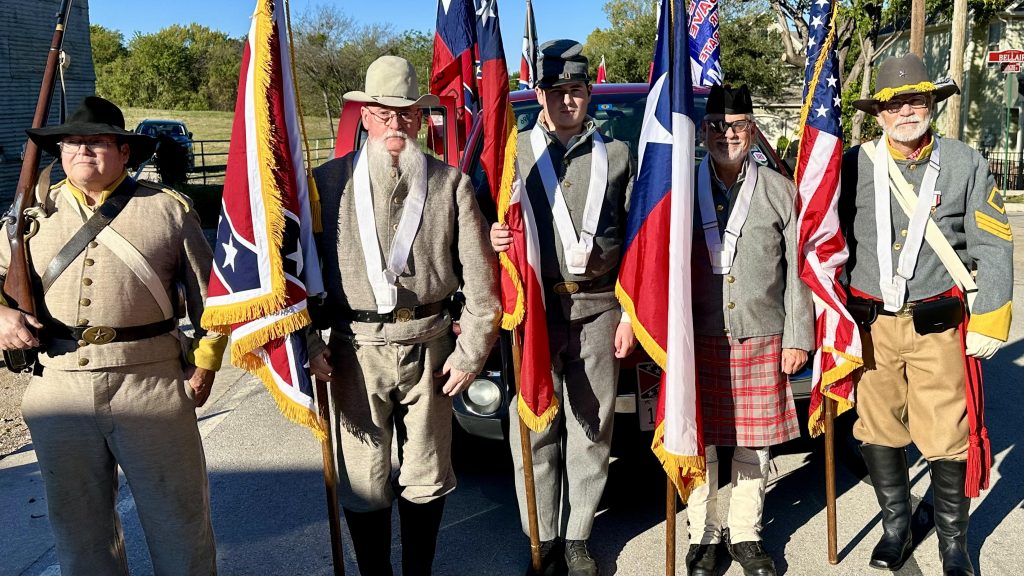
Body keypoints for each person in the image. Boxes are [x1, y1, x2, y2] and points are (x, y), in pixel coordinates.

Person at [0, 95, 226, 575]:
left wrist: (204, 364)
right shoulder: (29, 217)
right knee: (79, 532)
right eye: (73, 142)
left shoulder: (168, 210)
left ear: (125, 153)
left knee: (179, 521)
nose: (84, 151)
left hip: (151, 383)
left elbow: (212, 301)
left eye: (98, 142)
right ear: (59, 152)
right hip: (59, 388)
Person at [307, 55, 500, 576]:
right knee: (363, 477)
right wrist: (307, 340)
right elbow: (294, 276)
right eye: (385, 111)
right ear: (365, 114)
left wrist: (472, 353)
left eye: (408, 113)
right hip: (354, 347)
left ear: (420, 119)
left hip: (432, 343)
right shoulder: (323, 185)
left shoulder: (450, 183)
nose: (397, 123)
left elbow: (482, 281)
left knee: (427, 471)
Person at [841, 54, 1014, 576]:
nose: (905, 111)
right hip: (872, 327)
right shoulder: (853, 164)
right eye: (893, 104)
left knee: (946, 435)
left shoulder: (965, 162)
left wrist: (990, 318)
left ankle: (952, 542)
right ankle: (896, 527)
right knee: (877, 430)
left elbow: (994, 243)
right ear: (879, 114)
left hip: (937, 325)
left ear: (932, 104)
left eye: (915, 100)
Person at [491, 39, 636, 576]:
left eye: (576, 90)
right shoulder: (515, 154)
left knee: (591, 427)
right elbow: (480, 218)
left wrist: (626, 313)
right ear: (542, 94)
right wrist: (494, 237)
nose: (567, 100)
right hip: (533, 311)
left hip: (598, 308)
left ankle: (577, 537)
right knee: (532, 426)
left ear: (588, 92)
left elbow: (637, 243)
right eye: (556, 91)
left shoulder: (617, 155)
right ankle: (542, 536)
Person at [684, 85, 813, 576]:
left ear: (752, 130)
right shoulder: (679, 188)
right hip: (695, 336)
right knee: (699, 441)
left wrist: (799, 335)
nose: (725, 134)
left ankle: (745, 532)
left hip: (762, 333)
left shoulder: (781, 190)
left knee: (753, 443)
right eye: (716, 125)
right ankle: (704, 533)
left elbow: (800, 270)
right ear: (703, 131)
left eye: (736, 125)